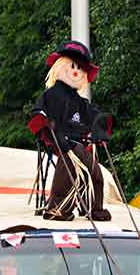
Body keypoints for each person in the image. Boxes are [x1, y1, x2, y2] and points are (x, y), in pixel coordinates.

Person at [28, 40, 113, 222]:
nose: (75, 71)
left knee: (95, 172)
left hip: (77, 143)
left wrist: (99, 128)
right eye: (72, 66)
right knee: (70, 163)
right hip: (57, 141)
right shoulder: (50, 95)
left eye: (80, 68)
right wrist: (53, 132)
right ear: (60, 67)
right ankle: (58, 208)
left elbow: (95, 115)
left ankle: (94, 208)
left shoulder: (80, 101)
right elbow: (38, 114)